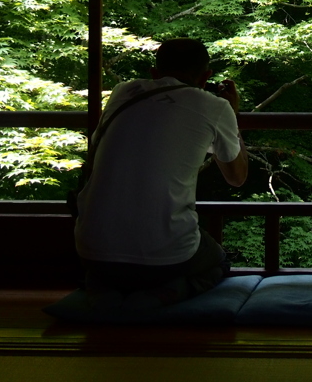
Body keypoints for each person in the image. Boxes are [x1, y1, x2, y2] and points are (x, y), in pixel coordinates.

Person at [74, 38, 248, 305]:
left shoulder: (122, 93)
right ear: (206, 76)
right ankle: (168, 293)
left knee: (118, 269)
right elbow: (237, 177)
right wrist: (233, 118)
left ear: (155, 74)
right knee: (219, 260)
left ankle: (106, 289)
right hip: (165, 259)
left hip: (91, 253)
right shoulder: (215, 106)